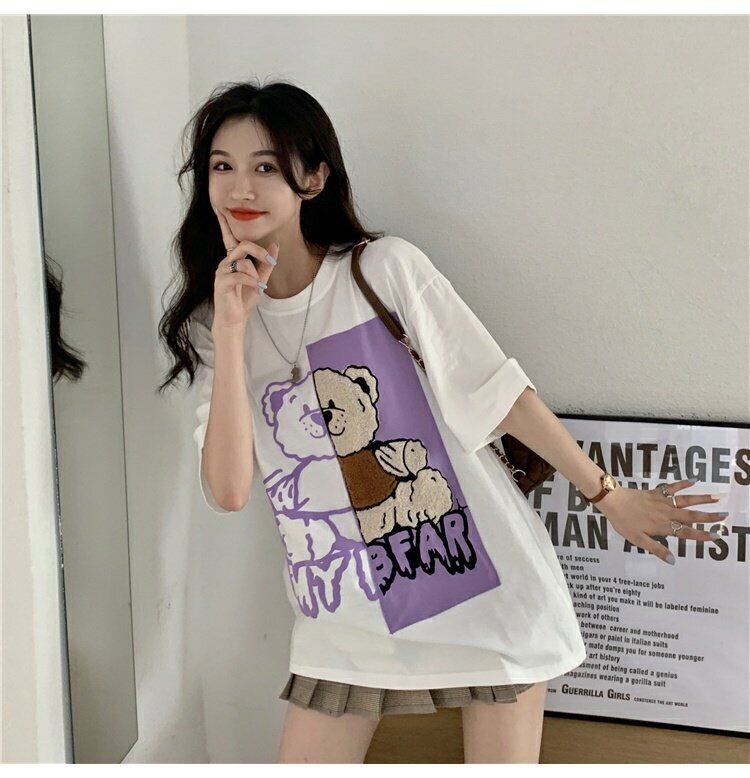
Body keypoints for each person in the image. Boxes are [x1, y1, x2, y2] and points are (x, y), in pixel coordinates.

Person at [158, 79, 727, 764]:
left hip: (483, 594)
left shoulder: (382, 269)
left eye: (266, 166)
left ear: (313, 178)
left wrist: (607, 495)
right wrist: (230, 326)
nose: (240, 186)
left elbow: (498, 391)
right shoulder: (215, 324)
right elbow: (228, 491)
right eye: (222, 166)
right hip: (347, 619)